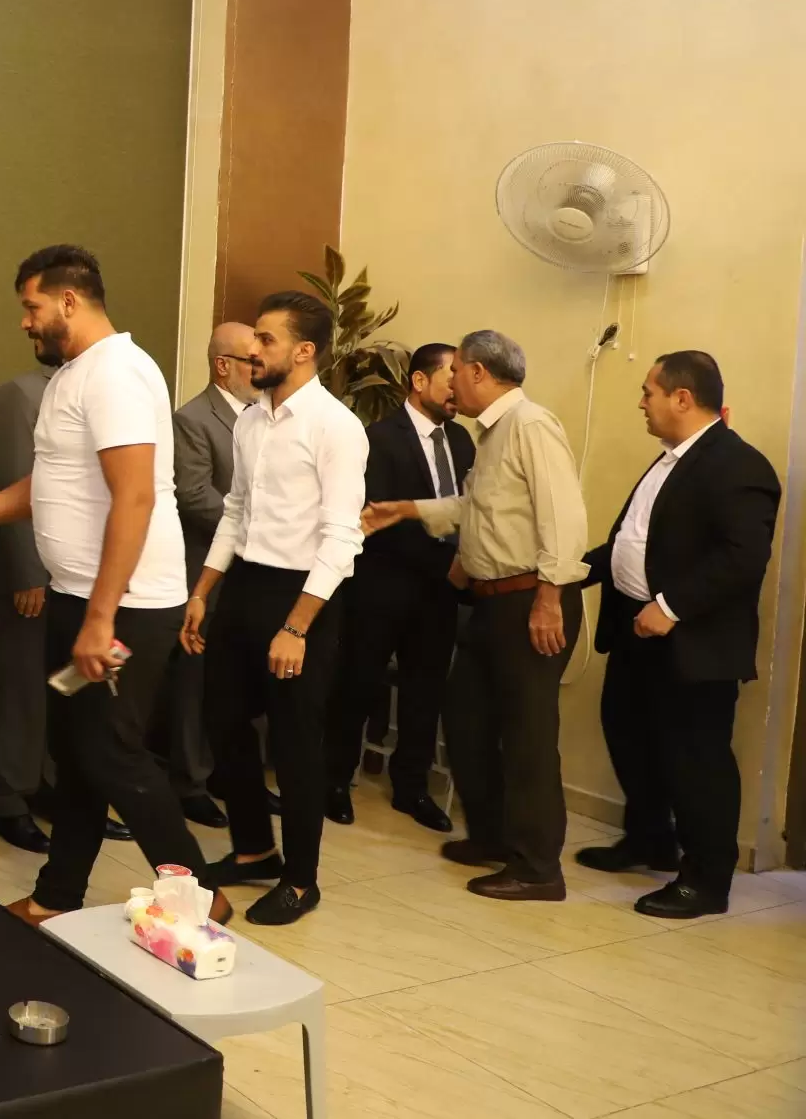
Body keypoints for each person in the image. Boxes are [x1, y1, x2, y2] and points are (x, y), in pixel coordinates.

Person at [0, 246, 232, 928]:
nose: (25, 322)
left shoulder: (117, 374)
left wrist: (101, 617)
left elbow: (135, 497)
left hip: (125, 609)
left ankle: (200, 895)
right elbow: (49, 484)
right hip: (76, 597)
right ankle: (57, 894)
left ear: (69, 300)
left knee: (111, 750)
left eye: (31, 307)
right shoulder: (73, 375)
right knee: (78, 749)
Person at [364, 329, 587, 901]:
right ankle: (491, 837)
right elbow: (476, 507)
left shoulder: (531, 425)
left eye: (457, 370)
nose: (452, 382)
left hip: (529, 599)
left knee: (528, 737)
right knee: (467, 720)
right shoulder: (492, 433)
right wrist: (408, 509)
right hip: (491, 602)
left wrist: (549, 598)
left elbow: (563, 517)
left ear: (480, 372)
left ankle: (538, 868)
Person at [182, 292, 367, 925]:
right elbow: (235, 512)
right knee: (222, 721)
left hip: (303, 596)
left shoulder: (336, 427)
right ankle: (255, 848)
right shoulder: (251, 421)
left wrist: (296, 626)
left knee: (295, 743)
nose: (251, 350)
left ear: (304, 351)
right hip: (244, 586)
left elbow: (342, 536)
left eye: (265, 339)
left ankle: (301, 879)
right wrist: (203, 592)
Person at [576, 352, 778, 918]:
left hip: (692, 643)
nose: (641, 403)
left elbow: (743, 557)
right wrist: (573, 570)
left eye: (649, 392)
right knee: (629, 734)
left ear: (682, 398)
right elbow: (635, 541)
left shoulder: (739, 464)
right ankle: (650, 840)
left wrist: (670, 606)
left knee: (696, 759)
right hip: (637, 631)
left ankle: (707, 881)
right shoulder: (669, 459)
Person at [324, 342, 475, 832]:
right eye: (450, 379)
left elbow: (467, 511)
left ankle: (411, 788)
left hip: (439, 595)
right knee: (358, 685)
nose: (457, 390)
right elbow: (378, 517)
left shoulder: (463, 442)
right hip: (382, 587)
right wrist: (446, 564)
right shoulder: (378, 438)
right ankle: (334, 782)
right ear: (419, 381)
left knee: (424, 692)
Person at [165, 321, 259, 829]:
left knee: (235, 682)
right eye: (251, 360)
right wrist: (257, 529)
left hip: (253, 575)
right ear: (223, 366)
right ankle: (190, 782)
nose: (259, 369)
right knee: (194, 683)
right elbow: (195, 495)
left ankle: (230, 774)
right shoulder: (193, 419)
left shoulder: (263, 419)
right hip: (204, 569)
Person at [0, 365, 58, 854]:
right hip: (33, 572)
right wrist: (28, 571)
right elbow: (14, 483)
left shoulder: (89, 388)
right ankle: (8, 801)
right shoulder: (20, 393)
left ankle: (50, 788)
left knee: (64, 689)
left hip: (79, 576)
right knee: (23, 689)